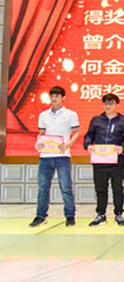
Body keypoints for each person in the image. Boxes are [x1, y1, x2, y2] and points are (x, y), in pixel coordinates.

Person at [29, 85, 79, 227]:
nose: (54, 98)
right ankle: (40, 216)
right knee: (42, 188)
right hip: (45, 157)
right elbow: (42, 133)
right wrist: (38, 144)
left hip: (63, 156)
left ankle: (70, 215)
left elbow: (76, 132)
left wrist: (68, 144)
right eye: (52, 95)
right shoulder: (43, 115)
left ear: (63, 98)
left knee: (66, 187)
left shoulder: (70, 114)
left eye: (57, 96)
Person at [84, 93, 124, 227]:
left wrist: (123, 148)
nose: (108, 106)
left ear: (117, 105)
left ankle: (119, 214)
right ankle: (101, 215)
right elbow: (89, 136)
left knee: (117, 189)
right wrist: (88, 145)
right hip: (99, 160)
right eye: (106, 103)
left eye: (111, 103)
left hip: (116, 160)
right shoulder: (96, 120)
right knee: (100, 189)